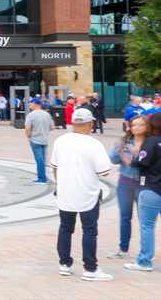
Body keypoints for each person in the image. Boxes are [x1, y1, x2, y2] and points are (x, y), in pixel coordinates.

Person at [50, 108, 113, 281]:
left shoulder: (60, 141)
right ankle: (90, 268)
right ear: (90, 124)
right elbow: (104, 171)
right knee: (89, 230)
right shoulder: (94, 144)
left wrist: (61, 183)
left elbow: (55, 167)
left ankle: (64, 264)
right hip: (87, 193)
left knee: (65, 228)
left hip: (65, 192)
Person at [107, 116, 146, 260]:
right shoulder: (124, 142)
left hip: (144, 185)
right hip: (125, 183)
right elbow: (112, 159)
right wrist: (118, 149)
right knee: (125, 216)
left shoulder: (151, 142)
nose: (137, 127)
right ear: (129, 127)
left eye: (141, 124)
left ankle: (145, 250)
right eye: (134, 125)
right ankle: (123, 249)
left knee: (144, 219)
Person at [126, 112, 161, 272]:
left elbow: (140, 163)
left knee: (147, 226)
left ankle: (144, 261)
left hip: (151, 188)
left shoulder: (151, 141)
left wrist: (134, 156)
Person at [25, 98, 54, 184]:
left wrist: (29, 136)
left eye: (31, 103)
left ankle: (42, 178)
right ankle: (43, 176)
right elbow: (52, 127)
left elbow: (27, 128)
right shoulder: (47, 115)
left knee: (39, 159)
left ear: (36, 104)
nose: (30, 105)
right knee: (43, 159)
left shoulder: (31, 115)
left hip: (35, 139)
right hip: (44, 139)